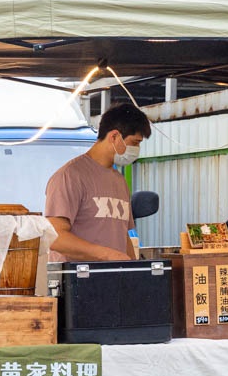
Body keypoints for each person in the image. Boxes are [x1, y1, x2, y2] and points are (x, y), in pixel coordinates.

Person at [45, 103, 152, 262]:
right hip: (78, 281)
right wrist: (107, 254)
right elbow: (55, 237)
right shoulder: (70, 176)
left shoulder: (119, 181)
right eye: (135, 143)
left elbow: (123, 237)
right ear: (114, 136)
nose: (137, 149)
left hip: (113, 280)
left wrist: (132, 270)